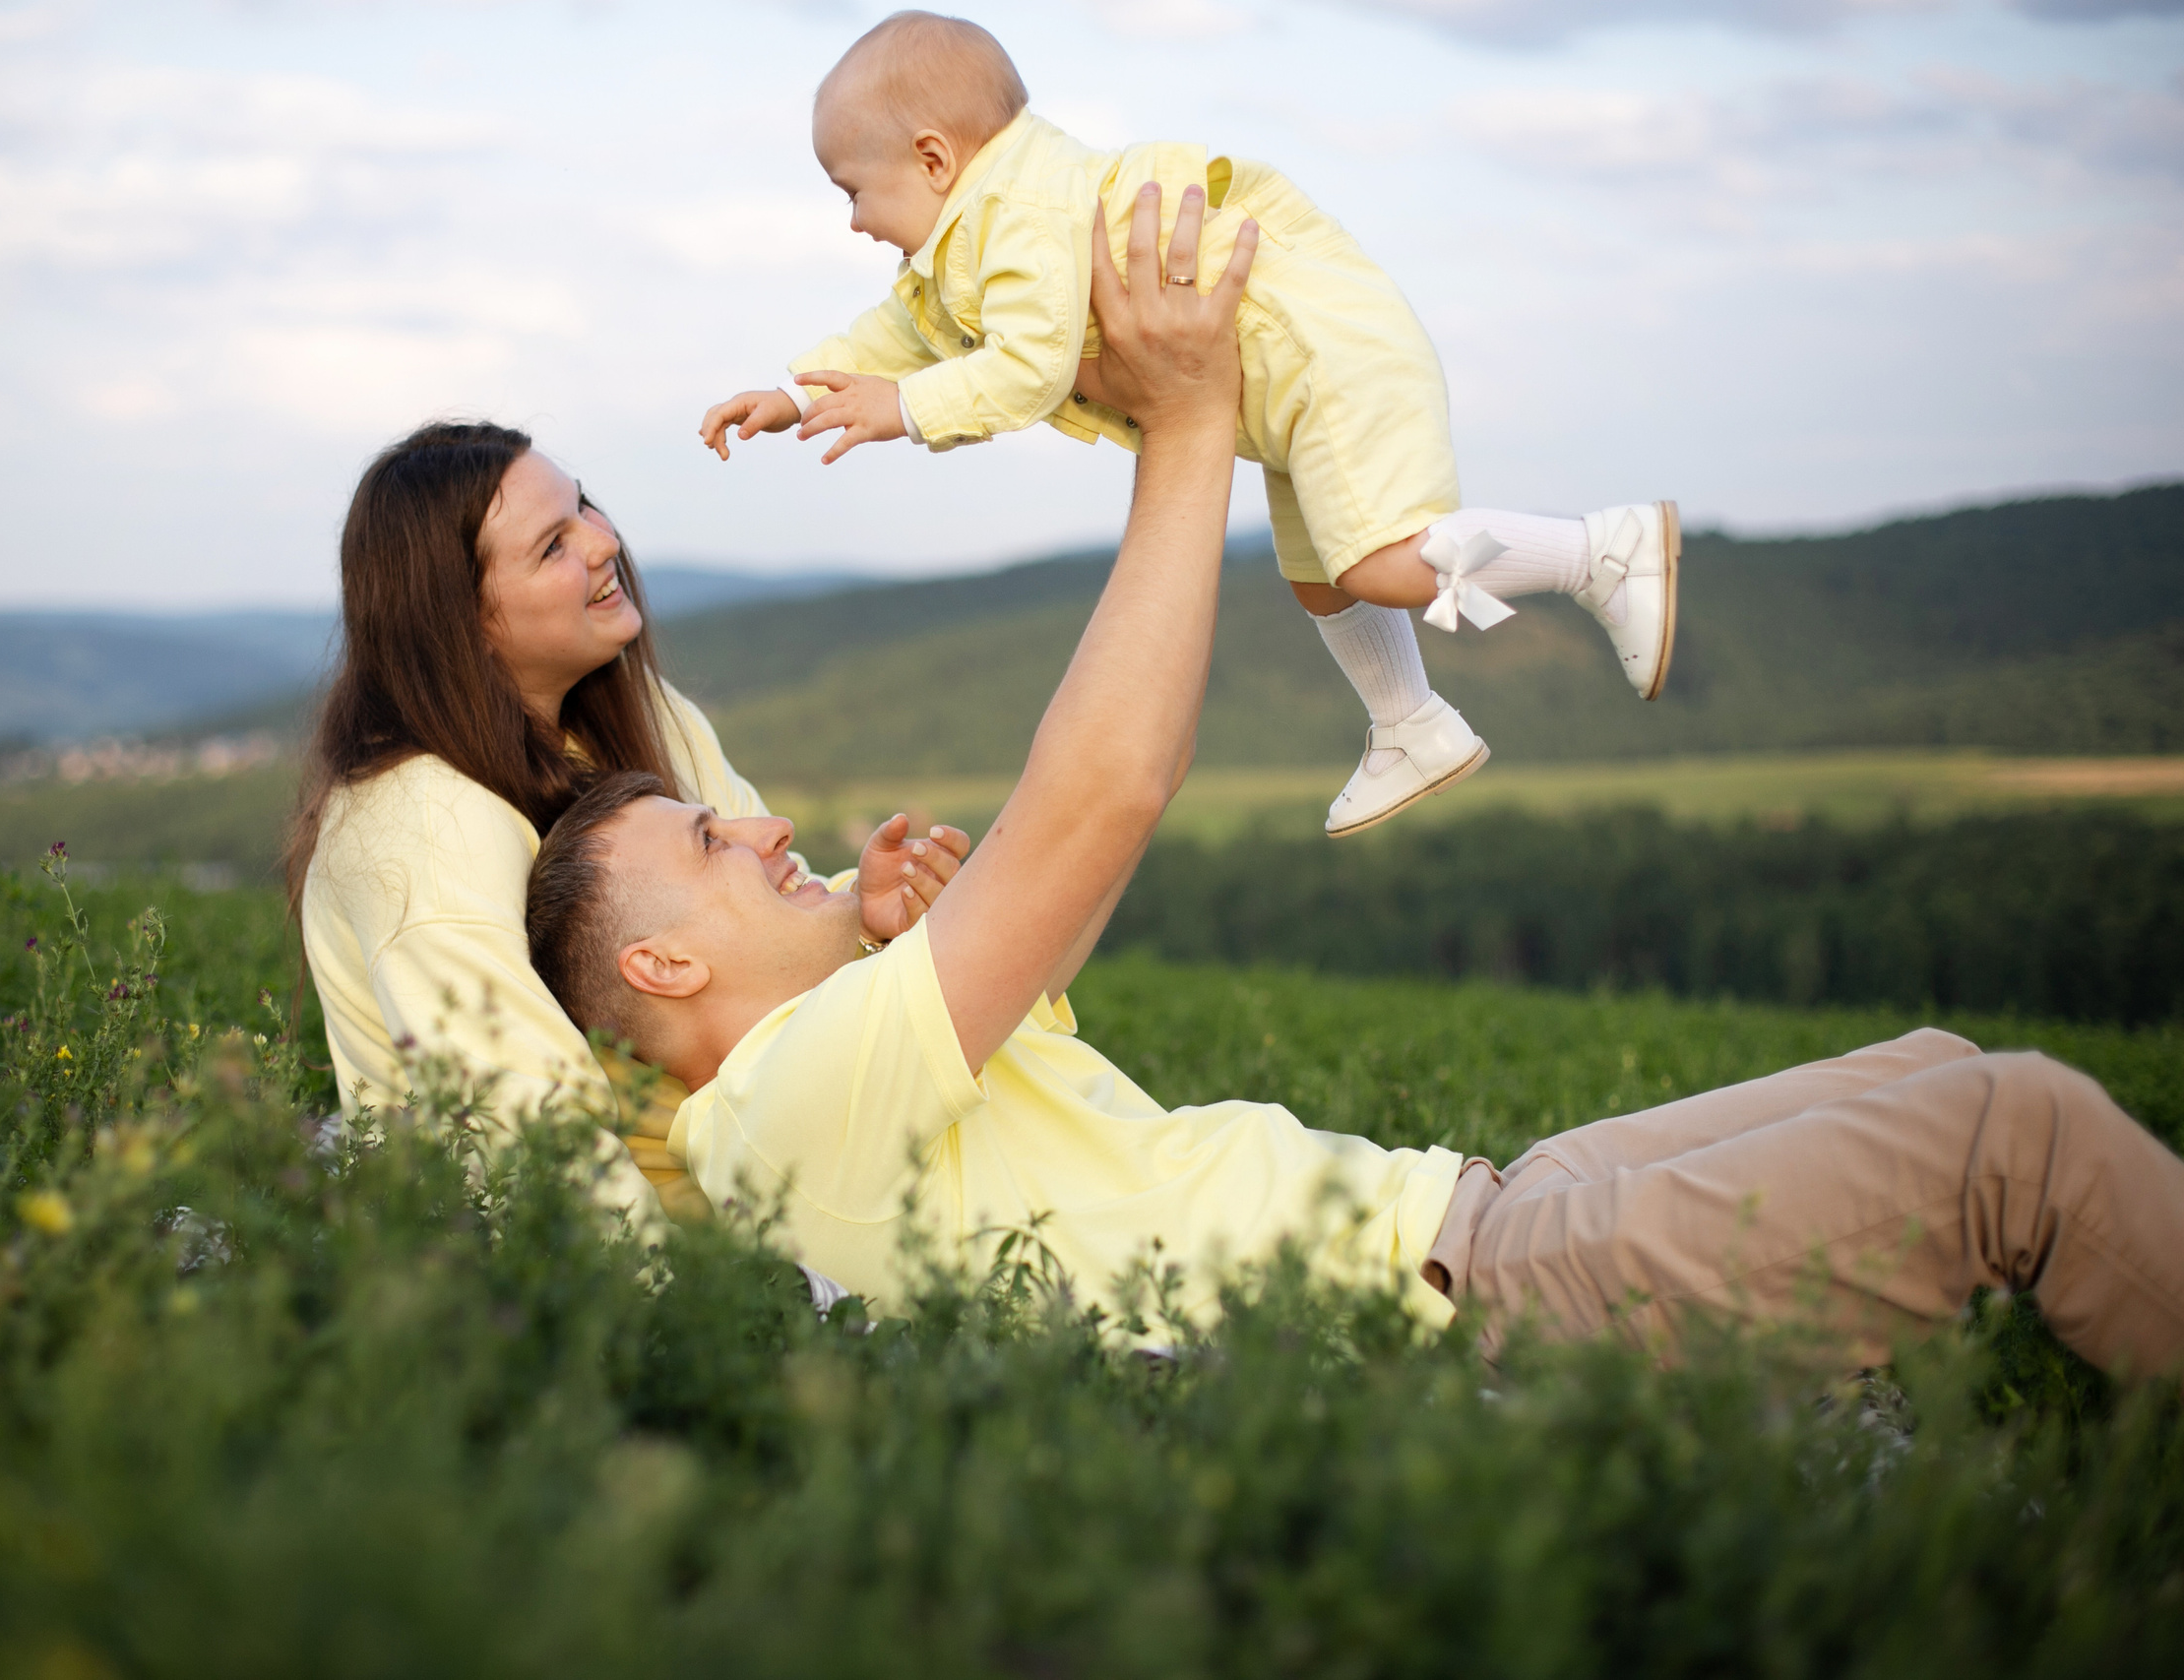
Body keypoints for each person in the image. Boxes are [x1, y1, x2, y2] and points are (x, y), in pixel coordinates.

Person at [540, 182, 2184, 1379]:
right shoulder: (771, 1111)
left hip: (1483, 1211)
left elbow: (1059, 904)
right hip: (1483, 1298)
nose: (755, 819)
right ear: (661, 966)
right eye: (704, 833)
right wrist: (1194, 421)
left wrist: (918, 928)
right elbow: (1099, 799)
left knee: (1935, 1062)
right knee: (2013, 1137)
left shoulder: (859, 1071)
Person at [698, 10, 1678, 840]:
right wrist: (797, 394)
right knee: (1319, 574)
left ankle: (1599, 552)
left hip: (1314, 349)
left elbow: (1028, 371)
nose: (854, 221)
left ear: (932, 158)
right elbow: (898, 331)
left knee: (1379, 560)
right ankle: (1409, 725)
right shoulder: (965, 241)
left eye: (851, 191)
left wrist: (905, 410)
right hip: (1275, 384)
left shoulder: (1024, 213)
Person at [286, 419, 969, 1229]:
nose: (604, 542)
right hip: (567, 1275)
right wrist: (688, 1328)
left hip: (760, 1197)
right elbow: (524, 1132)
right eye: (552, 546)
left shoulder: (644, 715)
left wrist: (871, 919)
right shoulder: (420, 824)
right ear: (459, 622)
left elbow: (782, 932)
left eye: (584, 507)